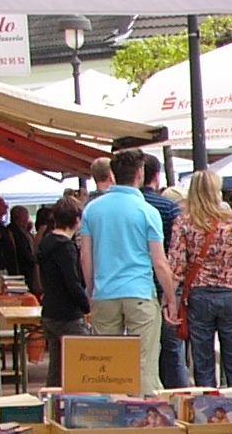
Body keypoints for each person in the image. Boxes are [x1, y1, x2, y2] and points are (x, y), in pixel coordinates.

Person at [78, 148, 178, 393]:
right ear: (140, 173)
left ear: (113, 174)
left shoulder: (92, 210)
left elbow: (85, 257)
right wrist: (170, 297)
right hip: (140, 292)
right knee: (144, 364)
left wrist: (92, 290)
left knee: (107, 366)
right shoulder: (147, 212)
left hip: (105, 292)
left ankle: (110, 409)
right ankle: (144, 409)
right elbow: (159, 261)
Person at [170, 168, 232, 388]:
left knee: (203, 362)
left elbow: (176, 267)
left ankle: (208, 404)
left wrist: (169, 301)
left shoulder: (184, 223)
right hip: (230, 293)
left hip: (199, 296)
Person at [140, 152, 191, 390]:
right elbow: (179, 247)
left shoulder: (133, 205)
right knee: (172, 348)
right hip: (168, 282)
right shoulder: (169, 207)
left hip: (140, 285)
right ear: (157, 176)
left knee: (146, 350)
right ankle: (177, 396)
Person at [34, 196, 90, 386]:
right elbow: (72, 283)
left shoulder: (46, 243)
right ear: (77, 219)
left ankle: (52, 398)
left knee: (56, 367)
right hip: (69, 315)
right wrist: (87, 305)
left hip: (50, 311)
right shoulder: (66, 247)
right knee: (83, 364)